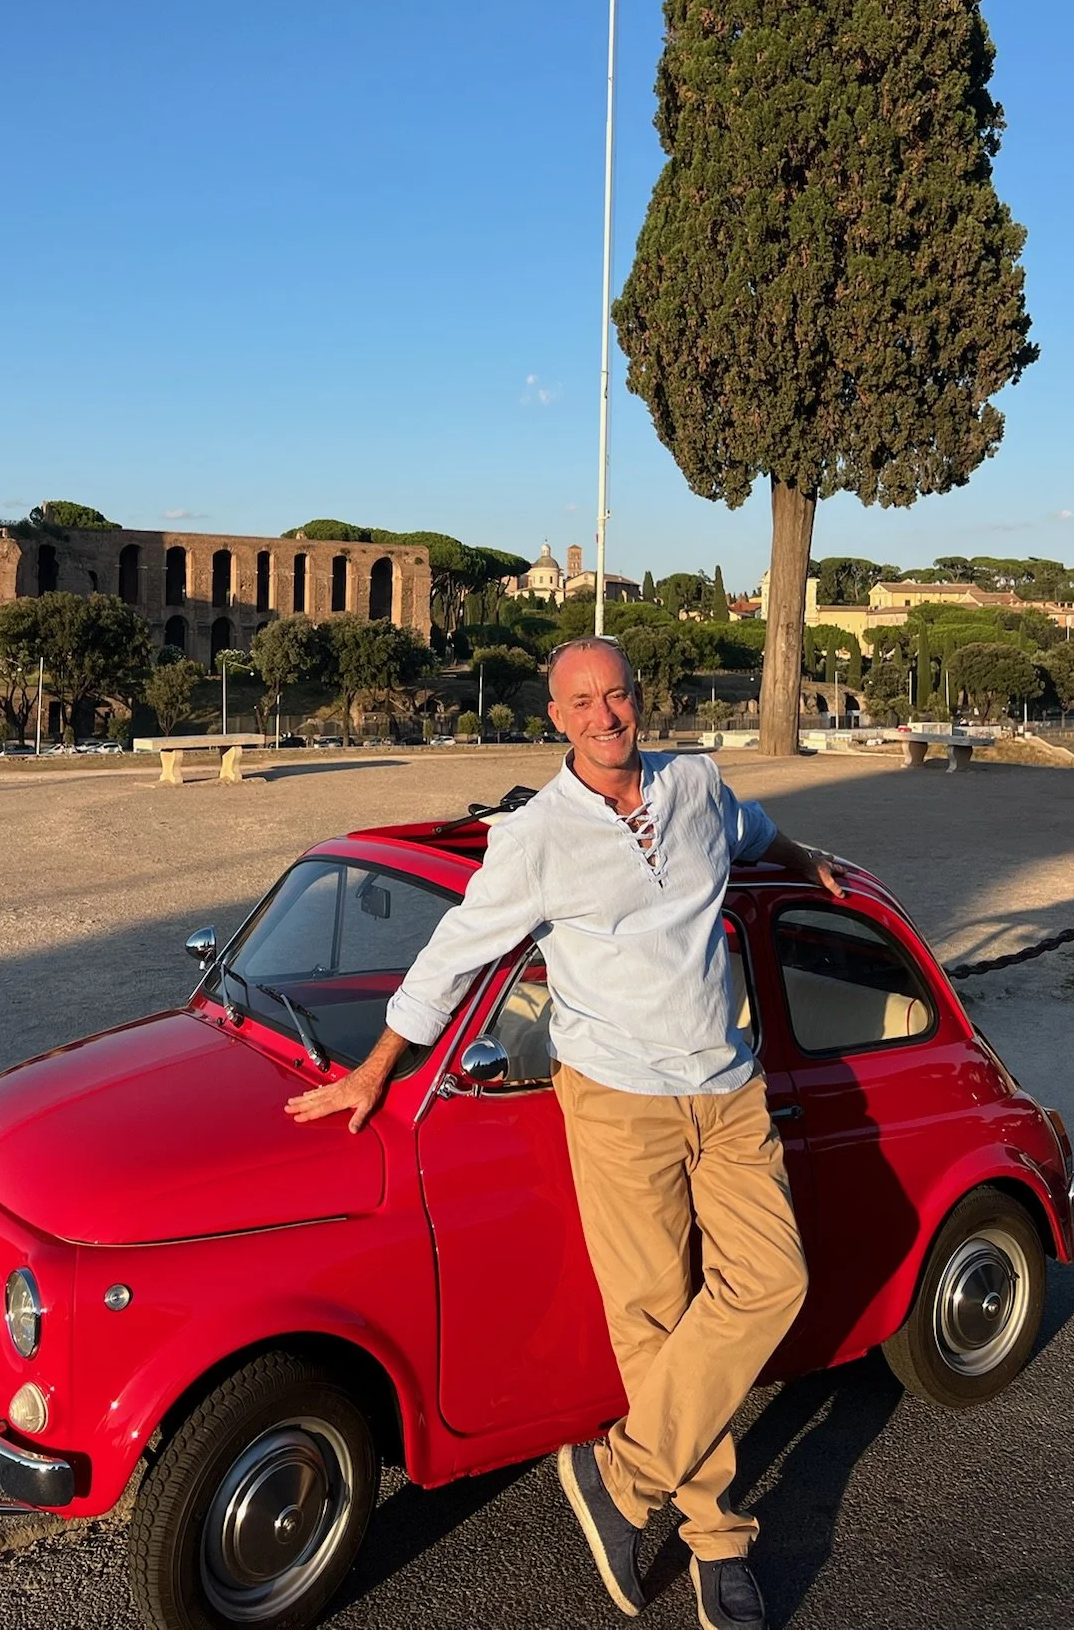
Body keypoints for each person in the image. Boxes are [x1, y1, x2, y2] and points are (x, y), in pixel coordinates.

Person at [287, 634, 841, 1630]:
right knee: (657, 1317)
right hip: (621, 1097)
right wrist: (375, 1068)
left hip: (727, 1083)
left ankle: (620, 1475)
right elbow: (453, 949)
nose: (605, 714)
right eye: (582, 701)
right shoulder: (537, 835)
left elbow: (761, 835)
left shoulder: (698, 786)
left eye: (617, 693)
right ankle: (717, 1539)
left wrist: (817, 865)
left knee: (774, 1281)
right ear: (557, 717)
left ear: (640, 696)